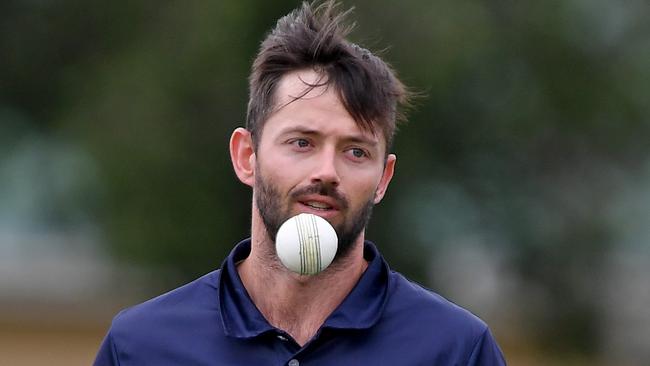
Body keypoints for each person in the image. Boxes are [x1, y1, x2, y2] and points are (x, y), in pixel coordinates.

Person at [94, 1, 506, 365]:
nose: (326, 171)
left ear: (384, 178)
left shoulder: (456, 350)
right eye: (302, 143)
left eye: (356, 151)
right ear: (246, 156)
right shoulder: (141, 347)